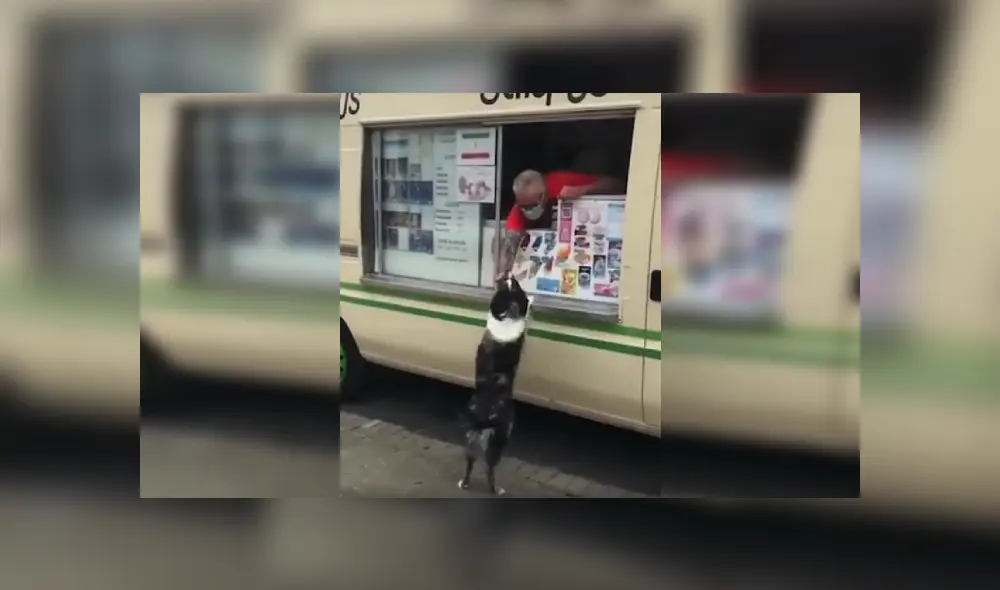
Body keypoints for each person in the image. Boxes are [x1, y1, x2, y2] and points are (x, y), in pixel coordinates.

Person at [494, 150, 624, 279]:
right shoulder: (520, 205)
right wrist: (503, 272)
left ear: (543, 194)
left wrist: (582, 190)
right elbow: (510, 241)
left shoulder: (562, 182)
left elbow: (617, 185)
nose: (528, 210)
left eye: (532, 205)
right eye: (524, 206)